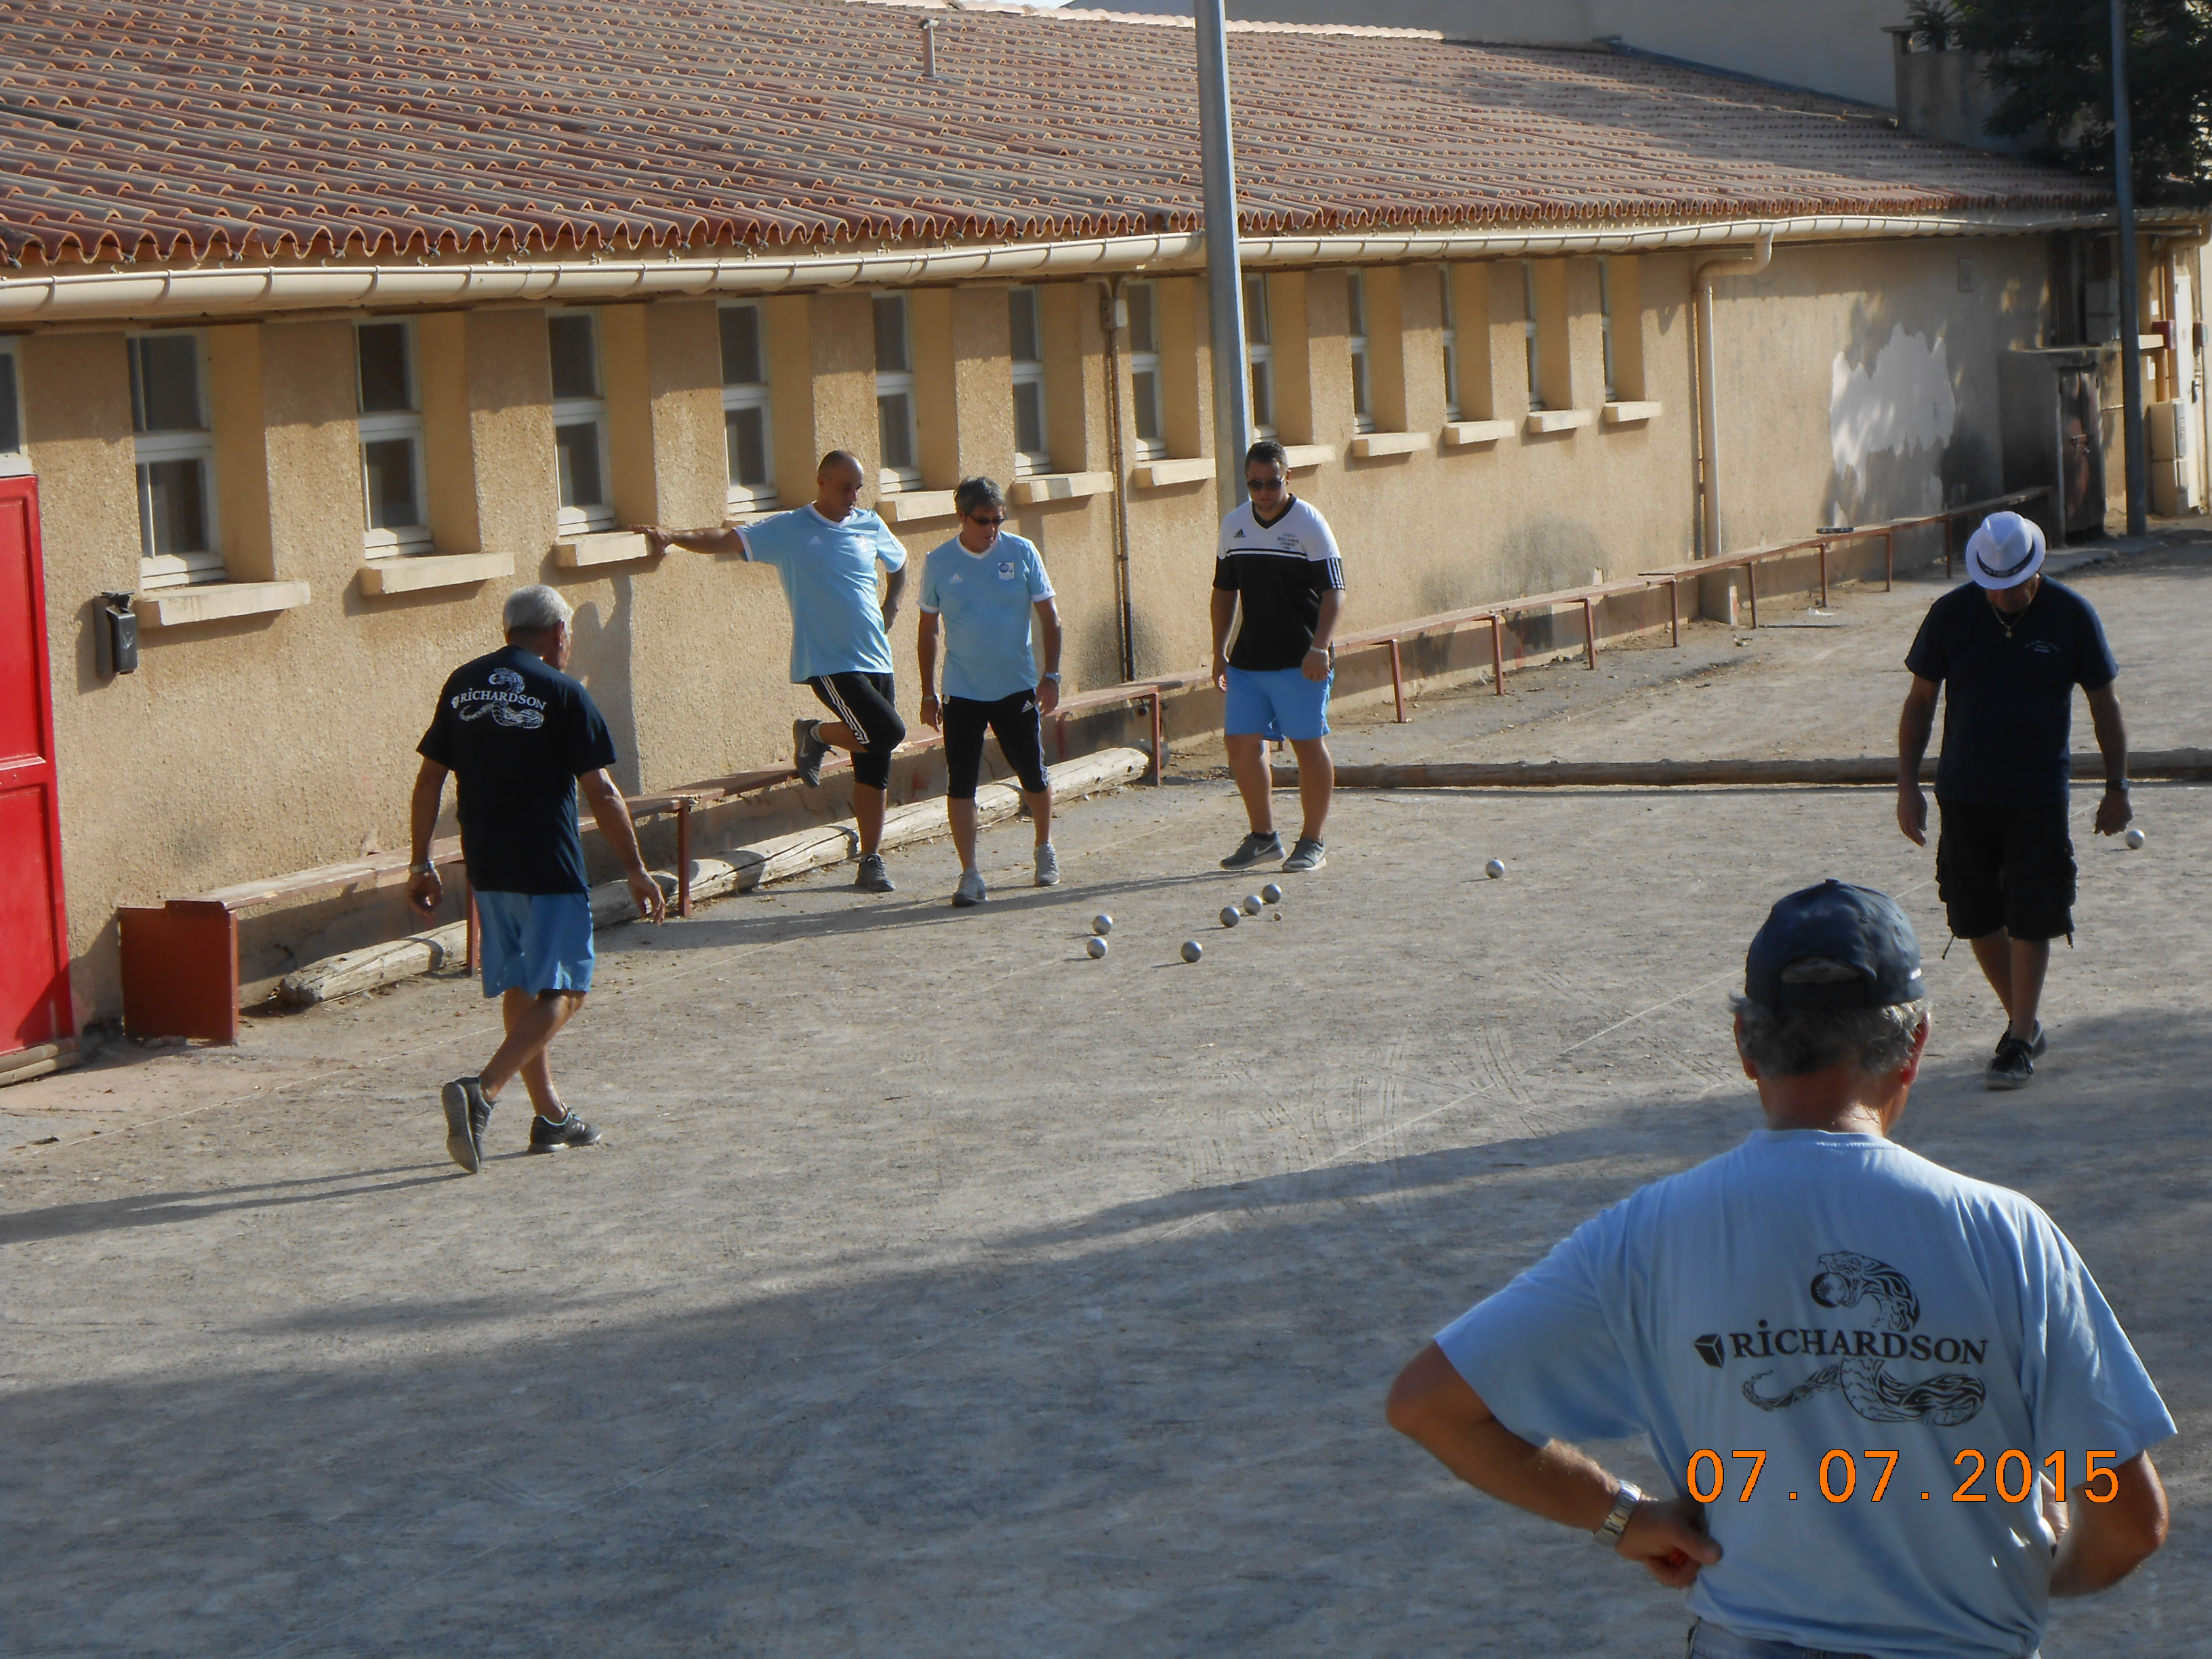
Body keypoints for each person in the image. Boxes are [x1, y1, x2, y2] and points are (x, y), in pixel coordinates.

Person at [1387, 879, 2171, 1659]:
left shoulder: (1645, 1234)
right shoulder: (2009, 1235)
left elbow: (1429, 1403)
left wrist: (1622, 1516)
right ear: (1916, 1045)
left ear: (1744, 1044)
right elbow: (2131, 1521)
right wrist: (2039, 1572)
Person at [408, 584, 665, 1174]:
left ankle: (550, 1116)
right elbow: (600, 790)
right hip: (548, 862)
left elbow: (429, 780)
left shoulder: (462, 682)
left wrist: (421, 862)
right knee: (568, 990)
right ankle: (485, 1090)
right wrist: (635, 869)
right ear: (558, 634)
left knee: (526, 986)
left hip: (488, 862)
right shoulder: (565, 692)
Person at [1896, 509, 2130, 1090]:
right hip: (1965, 792)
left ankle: (2019, 1038)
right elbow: (1920, 702)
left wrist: (2117, 786)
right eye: (1992, 585)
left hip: (2037, 794)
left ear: (2036, 570)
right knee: (1974, 914)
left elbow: (2105, 705)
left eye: (2013, 585)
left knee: (2034, 912)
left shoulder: (2071, 616)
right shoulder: (1951, 615)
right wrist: (1908, 785)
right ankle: (2023, 1021)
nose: (2002, 596)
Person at [639, 451, 909, 893]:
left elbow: (899, 565)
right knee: (887, 732)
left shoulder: (868, 523)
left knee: (873, 760)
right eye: (845, 487)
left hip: (876, 656)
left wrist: (892, 605)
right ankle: (817, 734)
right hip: (827, 661)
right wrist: (672, 536)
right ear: (821, 481)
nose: (853, 497)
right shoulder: (790, 529)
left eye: (858, 488)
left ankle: (871, 859)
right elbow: (725, 539)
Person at [916, 477, 1063, 905]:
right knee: (961, 783)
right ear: (961, 516)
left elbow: (1050, 617)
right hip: (962, 690)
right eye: (984, 521)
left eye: (999, 520)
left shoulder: (1021, 552)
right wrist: (927, 692)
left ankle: (1043, 848)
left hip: (1016, 686)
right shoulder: (939, 561)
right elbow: (928, 631)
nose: (992, 529)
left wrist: (1050, 676)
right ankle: (970, 874)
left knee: (1032, 772)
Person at [1211, 438, 1344, 873]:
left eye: (1272, 483)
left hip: (1301, 657)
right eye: (1255, 484)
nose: (1264, 492)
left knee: (1308, 745)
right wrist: (1219, 651)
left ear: (1288, 478)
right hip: (1250, 658)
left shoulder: (1310, 523)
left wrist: (1319, 647)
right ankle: (1264, 837)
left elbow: (1333, 592)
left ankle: (1313, 841)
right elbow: (1224, 591)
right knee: (1240, 743)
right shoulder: (1233, 525)